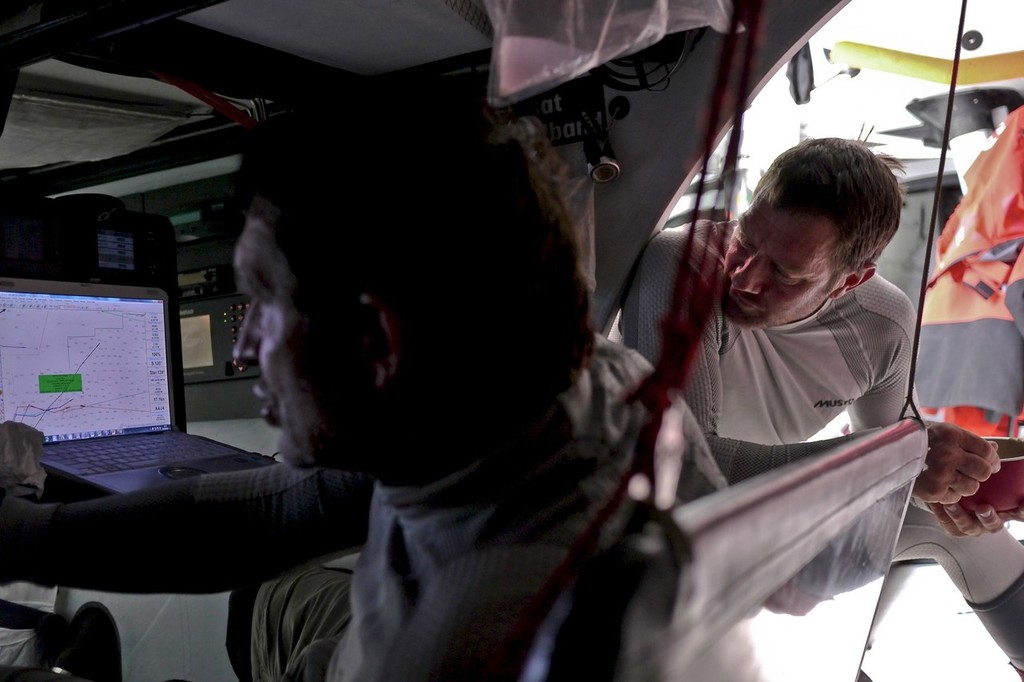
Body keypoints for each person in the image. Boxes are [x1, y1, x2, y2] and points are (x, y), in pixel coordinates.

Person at [0, 75, 725, 681]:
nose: (243, 350)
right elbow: (284, 511)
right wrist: (25, 536)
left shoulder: (451, 651)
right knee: (265, 590)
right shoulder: (577, 382)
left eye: (263, 300)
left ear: (377, 338)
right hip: (351, 641)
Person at [618, 136, 1024, 678]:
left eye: (786, 274)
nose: (745, 278)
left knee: (971, 532)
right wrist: (902, 461)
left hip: (771, 520)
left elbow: (889, 487)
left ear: (851, 280)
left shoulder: (883, 322)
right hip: (644, 531)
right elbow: (685, 474)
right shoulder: (682, 264)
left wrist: (961, 490)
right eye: (744, 241)